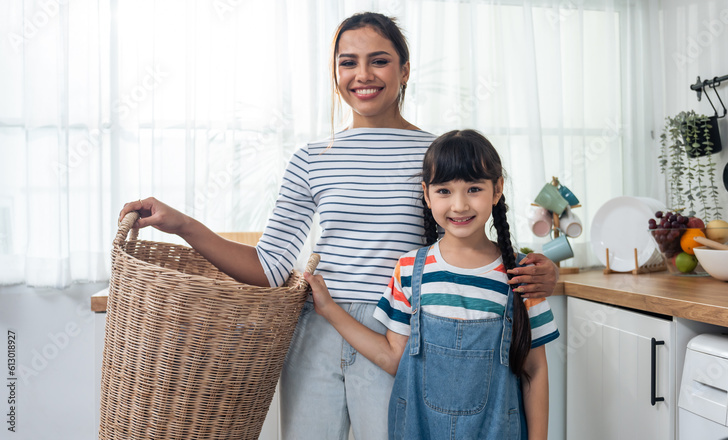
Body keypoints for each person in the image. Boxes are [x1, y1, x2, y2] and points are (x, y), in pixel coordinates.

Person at [117, 12, 559, 440]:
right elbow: (270, 267)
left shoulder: (436, 158)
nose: (362, 74)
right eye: (348, 62)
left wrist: (545, 271)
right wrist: (183, 225)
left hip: (400, 334)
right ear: (335, 74)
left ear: (405, 70)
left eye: (379, 60)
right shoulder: (311, 159)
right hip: (316, 325)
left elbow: (471, 241)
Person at [305, 129, 558, 440]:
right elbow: (392, 357)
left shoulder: (521, 276)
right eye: (444, 191)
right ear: (426, 194)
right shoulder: (410, 269)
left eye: (474, 188)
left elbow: (535, 369)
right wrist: (329, 309)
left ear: (497, 190)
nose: (460, 205)